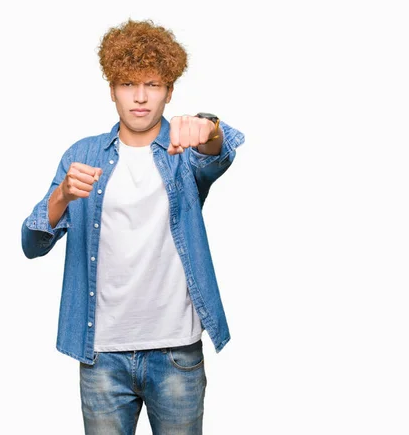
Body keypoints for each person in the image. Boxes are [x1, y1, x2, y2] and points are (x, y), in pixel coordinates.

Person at [21, 18, 245, 435]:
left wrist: (209, 127)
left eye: (153, 84)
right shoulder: (83, 154)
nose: (140, 98)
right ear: (111, 89)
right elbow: (31, 244)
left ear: (169, 91)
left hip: (177, 354)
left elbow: (219, 152)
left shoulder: (183, 149)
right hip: (102, 356)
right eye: (128, 84)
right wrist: (61, 197)